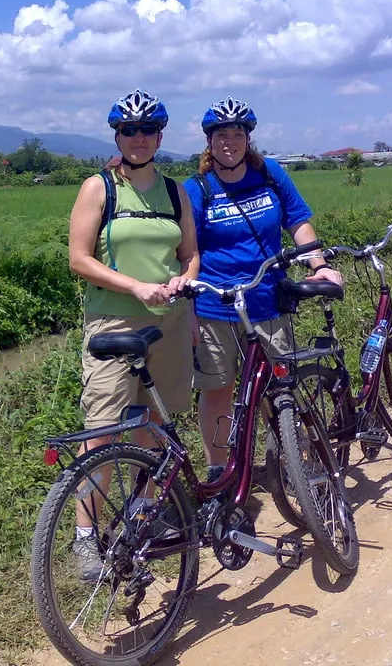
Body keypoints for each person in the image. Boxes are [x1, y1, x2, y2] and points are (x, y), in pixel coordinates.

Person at [67, 89, 199, 579]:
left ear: (160, 135)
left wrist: (184, 278)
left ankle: (143, 516)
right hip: (115, 324)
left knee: (156, 428)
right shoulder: (98, 188)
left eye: (147, 130)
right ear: (117, 136)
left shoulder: (173, 191)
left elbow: (190, 251)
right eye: (129, 130)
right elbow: (79, 259)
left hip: (170, 321)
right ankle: (85, 539)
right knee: (101, 432)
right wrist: (137, 287)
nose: (138, 138)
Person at [183, 97, 344, 482]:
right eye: (221, 134)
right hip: (215, 306)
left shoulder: (270, 174)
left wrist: (318, 264)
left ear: (248, 138)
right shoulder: (198, 189)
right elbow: (187, 252)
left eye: (237, 133)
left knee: (279, 384)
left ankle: (293, 458)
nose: (229, 141)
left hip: (267, 300)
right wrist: (186, 309)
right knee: (218, 390)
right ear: (210, 141)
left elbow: (299, 221)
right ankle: (220, 471)